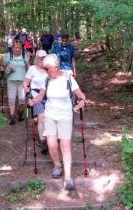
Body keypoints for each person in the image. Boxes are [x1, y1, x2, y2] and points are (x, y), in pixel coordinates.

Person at [28, 54, 86, 190]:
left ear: (55, 67)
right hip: (49, 115)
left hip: (65, 116)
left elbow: (81, 95)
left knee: (65, 146)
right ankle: (57, 166)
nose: (46, 72)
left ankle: (68, 177)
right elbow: (40, 96)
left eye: (48, 69)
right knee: (52, 144)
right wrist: (33, 101)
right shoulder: (47, 80)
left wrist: (81, 102)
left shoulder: (68, 78)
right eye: (45, 69)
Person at [23, 50, 49, 154]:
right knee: (41, 118)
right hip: (35, 95)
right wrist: (27, 91)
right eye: (41, 58)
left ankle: (48, 138)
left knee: (48, 118)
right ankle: (43, 141)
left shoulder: (49, 69)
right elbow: (25, 82)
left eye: (44, 58)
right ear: (37, 58)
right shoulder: (32, 69)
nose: (42, 60)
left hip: (49, 95)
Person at [2, 41, 30, 125]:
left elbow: (28, 67)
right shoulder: (8, 56)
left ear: (21, 48)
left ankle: (20, 112)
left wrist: (30, 78)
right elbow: (3, 66)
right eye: (16, 47)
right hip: (11, 81)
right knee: (11, 99)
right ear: (12, 48)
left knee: (22, 98)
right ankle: (12, 116)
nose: (17, 49)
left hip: (22, 81)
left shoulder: (24, 56)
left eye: (19, 48)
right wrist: (5, 69)